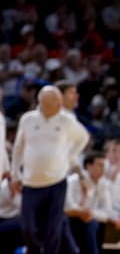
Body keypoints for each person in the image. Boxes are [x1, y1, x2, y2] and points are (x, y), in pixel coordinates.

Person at [11, 85, 90, 254]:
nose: (56, 107)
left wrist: (70, 156)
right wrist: (15, 174)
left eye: (56, 103)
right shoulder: (28, 119)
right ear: (40, 102)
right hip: (31, 182)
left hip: (56, 182)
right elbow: (18, 148)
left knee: (52, 229)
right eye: (46, 103)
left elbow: (83, 137)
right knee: (28, 228)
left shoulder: (67, 120)